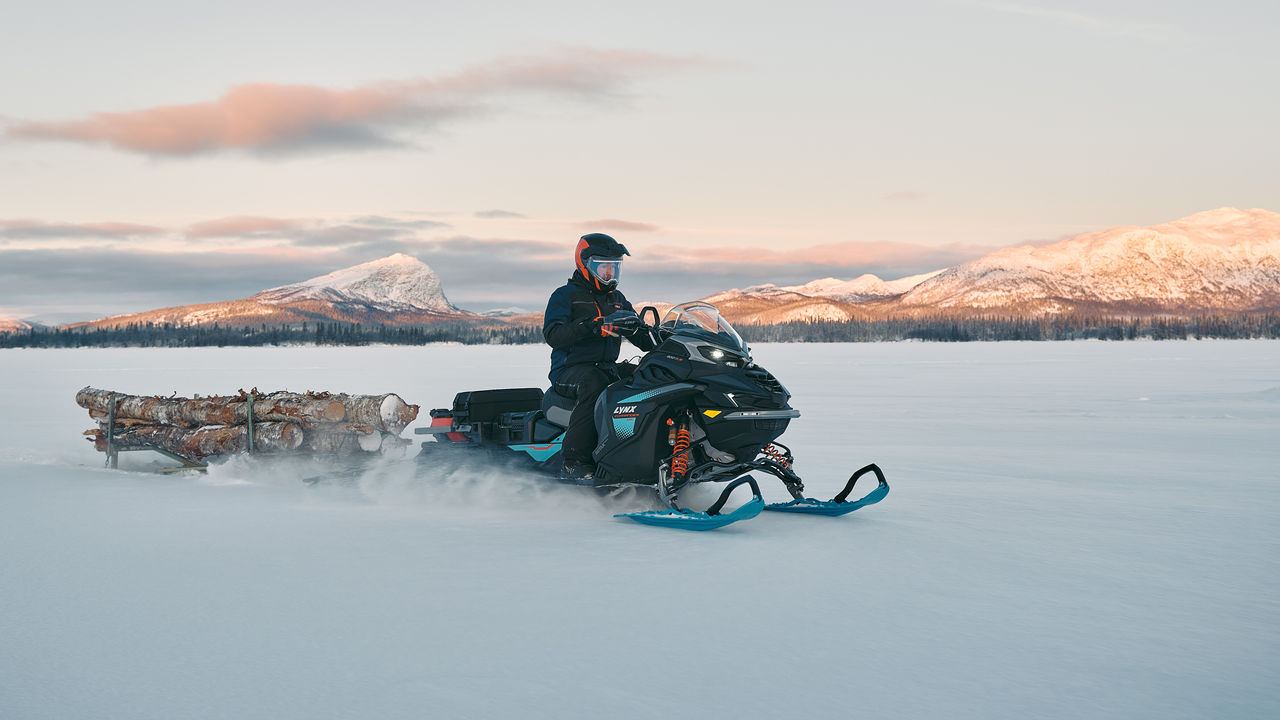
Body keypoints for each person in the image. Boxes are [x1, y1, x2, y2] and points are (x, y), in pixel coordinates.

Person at [543, 233, 656, 481]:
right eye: (603, 267)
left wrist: (663, 338)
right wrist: (592, 326)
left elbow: (640, 335)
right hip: (570, 370)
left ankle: (644, 454)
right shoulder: (565, 295)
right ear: (584, 265)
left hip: (606, 367)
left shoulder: (617, 300)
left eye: (614, 268)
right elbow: (553, 334)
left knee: (650, 377)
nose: (609, 274)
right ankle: (573, 461)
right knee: (594, 384)